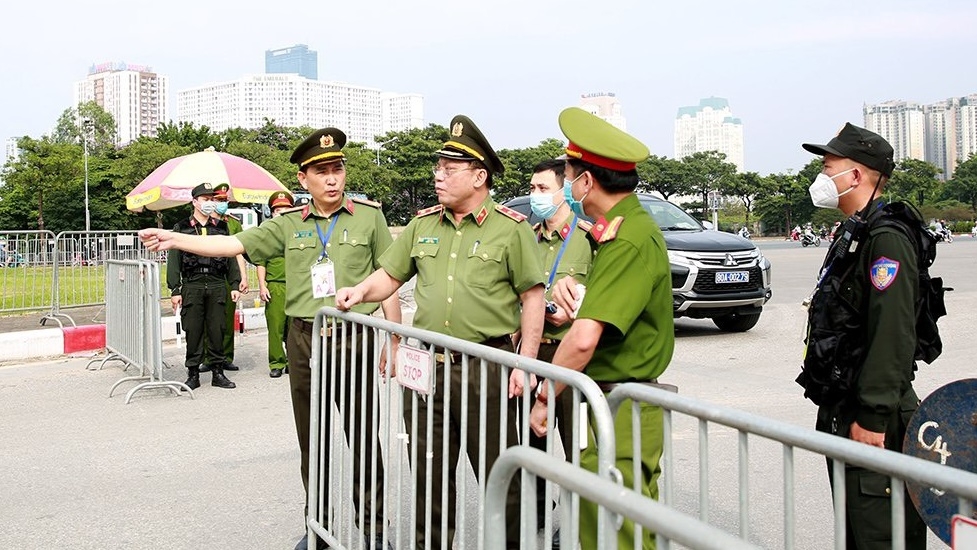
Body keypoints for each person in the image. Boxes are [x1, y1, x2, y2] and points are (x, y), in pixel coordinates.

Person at [141, 128, 402, 550]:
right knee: (311, 437)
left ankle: (373, 529)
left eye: (337, 169)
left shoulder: (370, 217)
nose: (332, 179)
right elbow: (232, 243)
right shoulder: (286, 225)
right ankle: (318, 525)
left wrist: (392, 339)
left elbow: (386, 278)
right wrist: (173, 238)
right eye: (322, 172)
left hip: (354, 336)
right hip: (303, 338)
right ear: (304, 179)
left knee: (363, 434)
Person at [335, 114, 545, 550]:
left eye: (450, 170)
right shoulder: (421, 225)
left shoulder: (511, 229)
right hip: (426, 370)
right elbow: (389, 277)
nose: (438, 176)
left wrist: (525, 364)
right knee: (429, 477)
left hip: (487, 368)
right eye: (438, 168)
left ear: (479, 176)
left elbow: (532, 298)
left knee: (500, 474)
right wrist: (359, 291)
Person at [528, 107, 674, 550]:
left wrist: (544, 398)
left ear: (587, 182)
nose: (567, 185)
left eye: (569, 175)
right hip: (614, 400)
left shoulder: (627, 238)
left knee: (614, 527)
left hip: (626, 401)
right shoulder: (614, 233)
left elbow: (585, 337)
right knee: (623, 520)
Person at [797, 122, 927, 549]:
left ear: (855, 176)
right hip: (844, 404)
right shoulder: (855, 232)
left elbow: (893, 334)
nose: (820, 175)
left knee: (881, 535)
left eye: (827, 165)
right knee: (855, 532)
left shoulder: (886, 238)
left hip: (876, 418)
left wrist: (872, 416)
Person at [526, 158, 594, 530]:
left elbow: (601, 293)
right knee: (531, 439)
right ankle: (537, 513)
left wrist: (573, 313)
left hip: (571, 355)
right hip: (534, 353)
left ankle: (573, 524)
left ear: (562, 191)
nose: (535, 195)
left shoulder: (588, 238)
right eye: (532, 188)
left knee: (576, 444)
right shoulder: (527, 238)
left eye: (542, 189)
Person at [166, 182, 241, 390]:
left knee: (217, 329)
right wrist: (175, 289)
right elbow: (174, 259)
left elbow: (230, 255)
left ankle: (218, 372)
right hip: (193, 283)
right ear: (195, 202)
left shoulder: (221, 227)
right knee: (194, 330)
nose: (209, 203)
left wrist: (234, 283)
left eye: (212, 200)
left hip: (217, 282)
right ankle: (192, 373)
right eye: (205, 200)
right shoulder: (182, 227)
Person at [203, 182, 247, 372]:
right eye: (218, 200)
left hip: (229, 275)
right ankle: (207, 358)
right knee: (207, 319)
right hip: (210, 274)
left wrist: (243, 277)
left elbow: (239, 252)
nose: (222, 203)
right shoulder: (203, 222)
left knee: (228, 319)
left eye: (224, 200)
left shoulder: (233, 223)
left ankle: (226, 357)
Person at [256, 191, 295, 378]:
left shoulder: (297, 231)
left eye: (286, 209)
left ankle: (293, 361)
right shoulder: (268, 234)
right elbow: (261, 262)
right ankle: (277, 362)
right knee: (276, 326)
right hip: (276, 284)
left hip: (296, 286)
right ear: (272, 212)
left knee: (295, 328)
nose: (281, 213)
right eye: (278, 210)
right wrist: (262, 285)